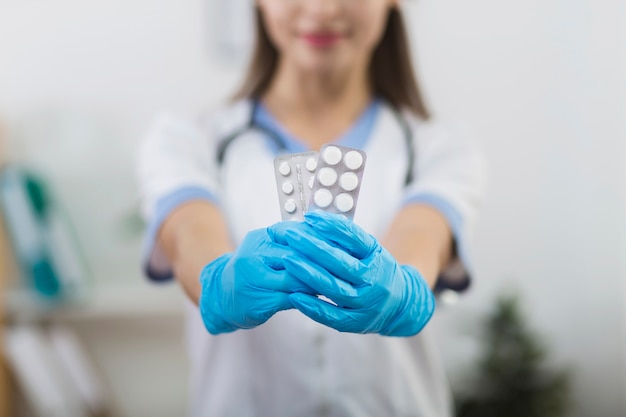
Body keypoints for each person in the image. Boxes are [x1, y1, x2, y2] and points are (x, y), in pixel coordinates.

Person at [137, 1, 485, 416]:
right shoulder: (187, 141)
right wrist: (218, 278)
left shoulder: (438, 147)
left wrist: (405, 283)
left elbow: (425, 233)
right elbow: (187, 231)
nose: (321, 9)